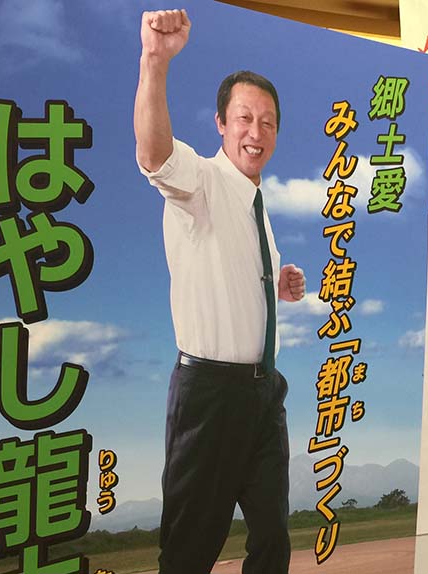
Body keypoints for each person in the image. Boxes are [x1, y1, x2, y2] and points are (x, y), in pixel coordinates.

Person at [133, 8, 305, 574]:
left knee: (272, 541)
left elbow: (236, 277)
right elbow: (154, 153)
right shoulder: (200, 181)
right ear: (220, 124)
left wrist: (278, 284)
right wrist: (155, 61)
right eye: (244, 118)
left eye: (268, 122)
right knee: (190, 551)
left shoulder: (256, 204)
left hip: (263, 394)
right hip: (209, 395)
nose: (256, 132)